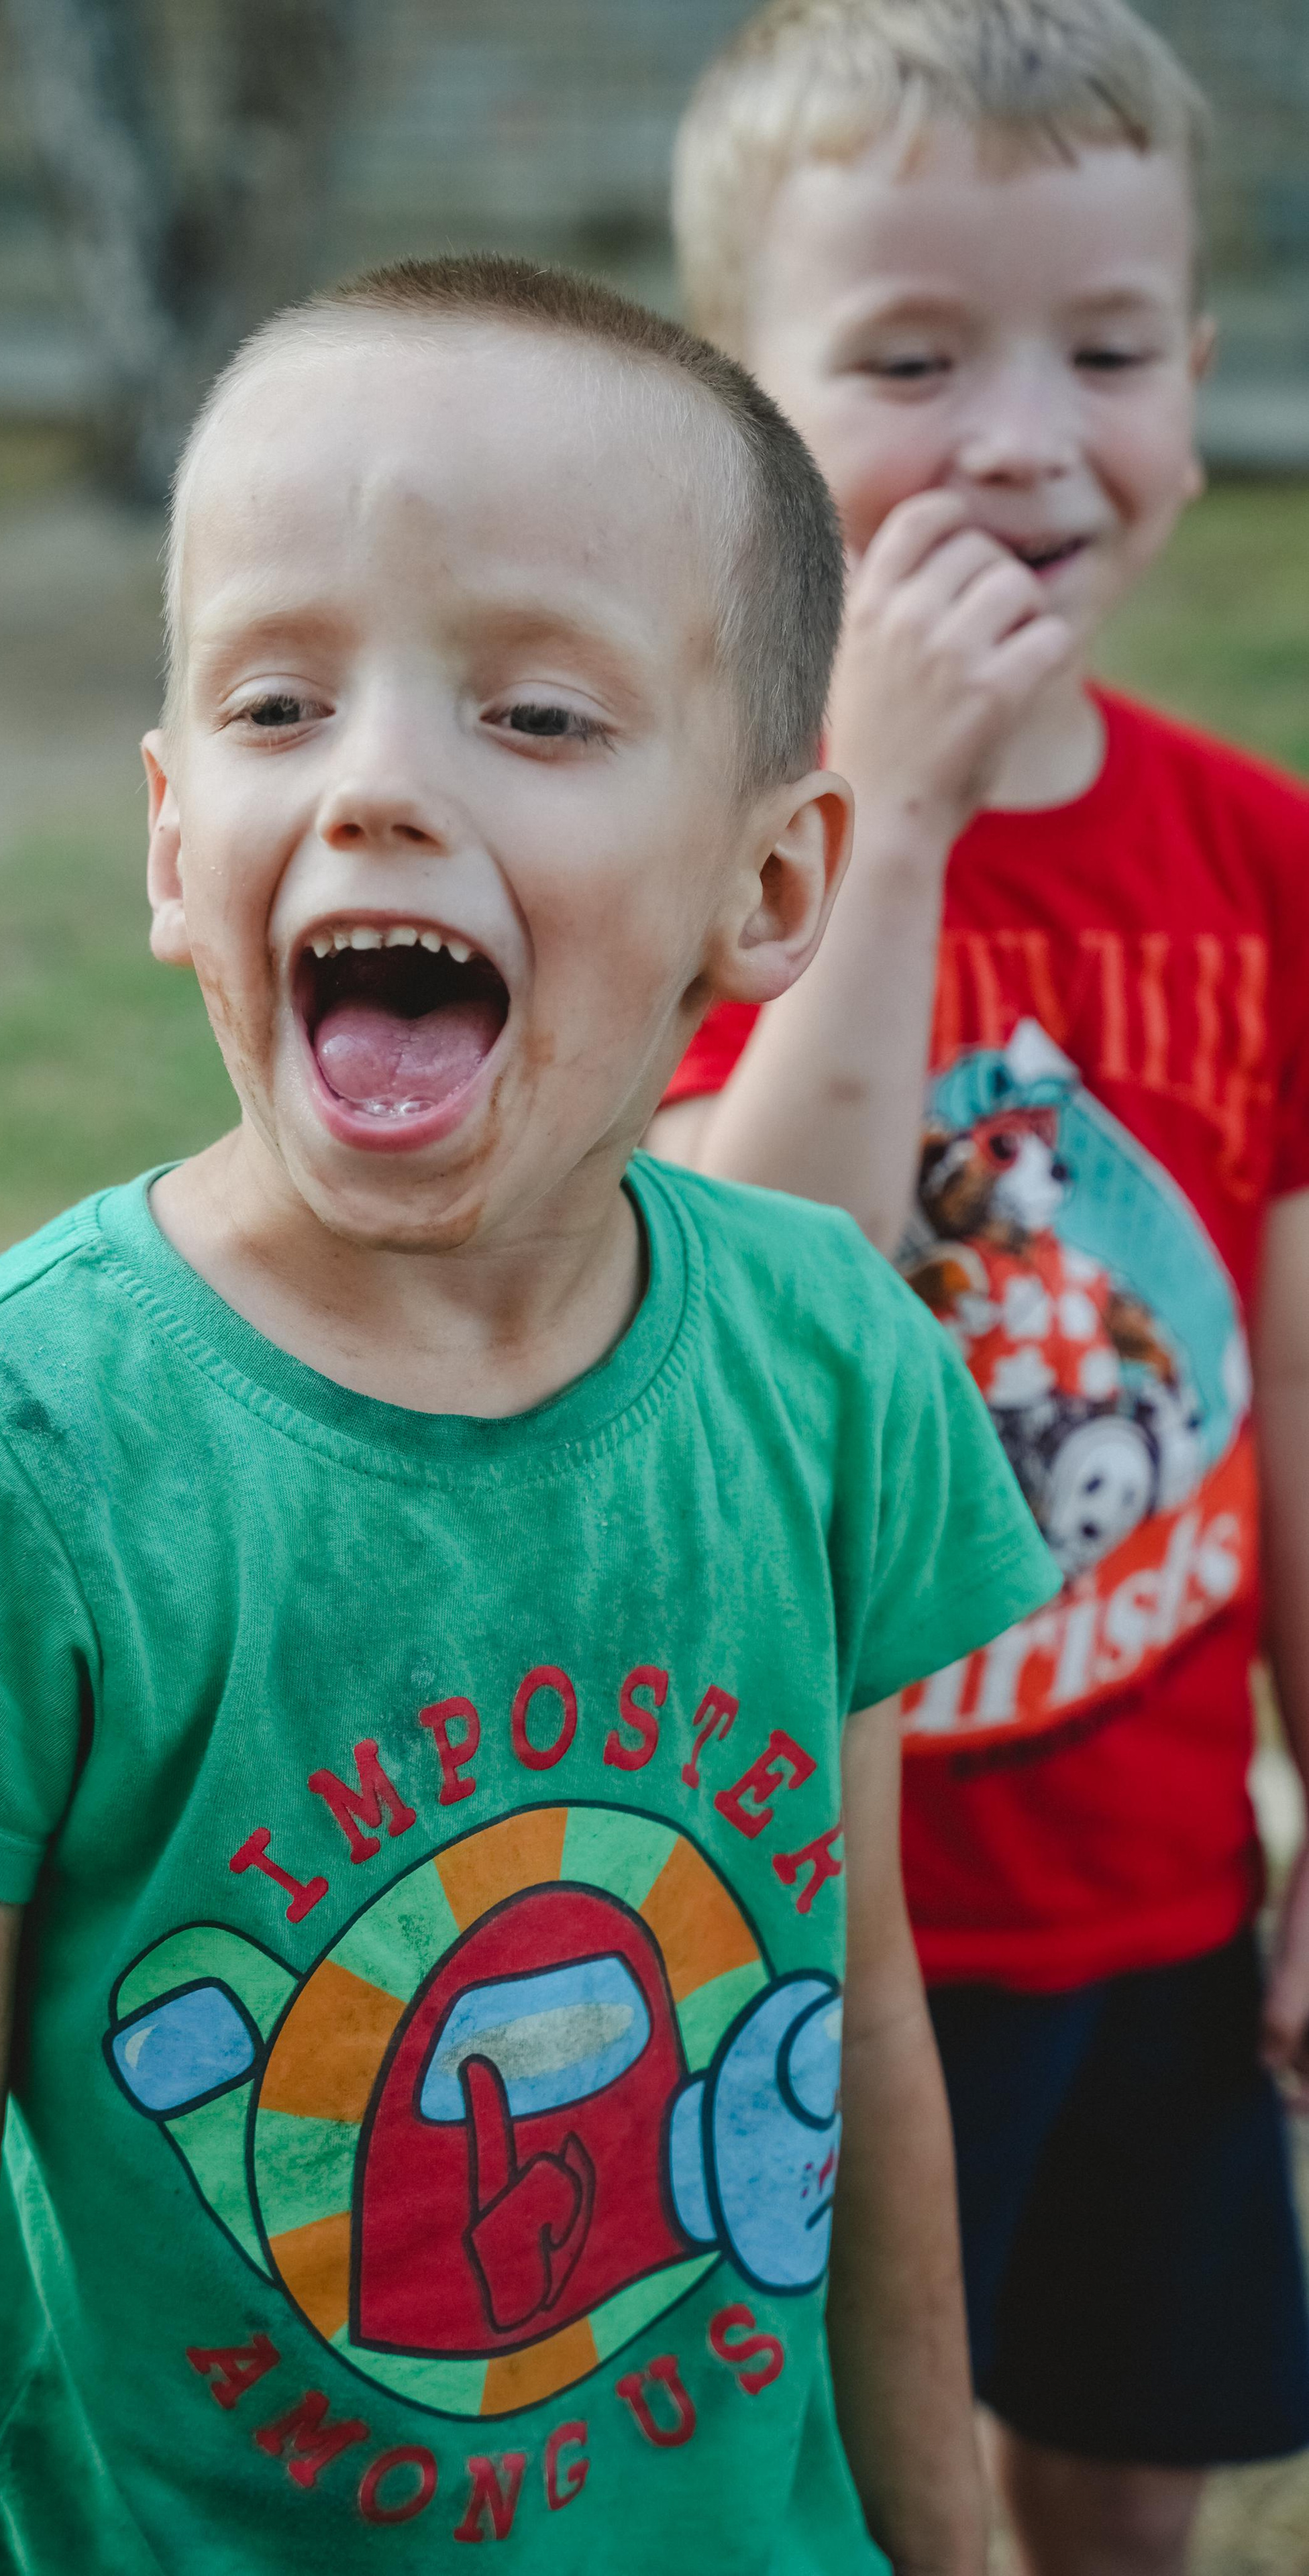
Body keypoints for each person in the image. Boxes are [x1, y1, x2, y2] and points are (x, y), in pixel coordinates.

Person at [0, 256, 1057, 2576]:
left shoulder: (833, 1369)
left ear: (773, 875)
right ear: (164, 832)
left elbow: (865, 2017)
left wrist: (948, 2545)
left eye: (533, 716)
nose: (382, 782)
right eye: (282, 698)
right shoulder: (0, 1451)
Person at [655, 6, 1309, 2569]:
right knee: (841, 2475)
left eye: (1108, 352)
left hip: (1158, 1873)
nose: (1025, 437)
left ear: (1200, 379)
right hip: (819, 1898)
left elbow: (1284, 1379)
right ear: (744, 404)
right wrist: (897, 815)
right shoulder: (718, 828)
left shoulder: (1257, 857)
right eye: (915, 358)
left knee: (1128, 2450)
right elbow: (764, 1284)